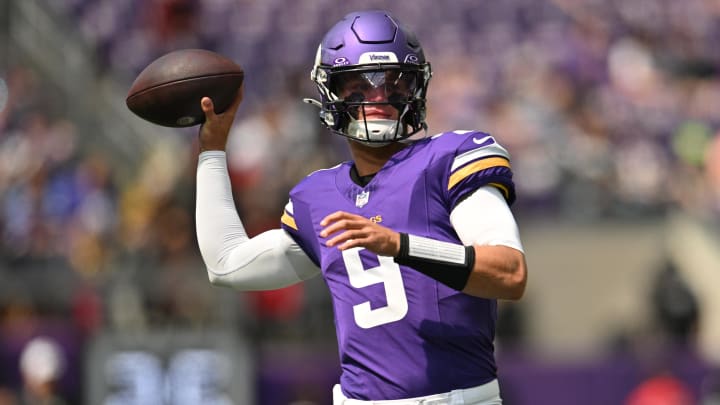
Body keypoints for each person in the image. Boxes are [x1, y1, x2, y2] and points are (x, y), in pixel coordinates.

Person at [195, 10, 528, 405]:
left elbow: (510, 274)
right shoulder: (317, 195)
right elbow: (226, 264)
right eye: (358, 88)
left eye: (394, 84)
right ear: (331, 95)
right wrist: (212, 151)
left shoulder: (450, 158)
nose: (379, 99)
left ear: (416, 89)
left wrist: (400, 245)